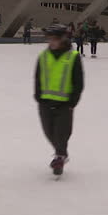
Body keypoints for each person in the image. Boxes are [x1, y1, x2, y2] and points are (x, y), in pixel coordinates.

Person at [35, 24, 84, 177]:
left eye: (55, 39)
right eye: (50, 39)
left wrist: (72, 103)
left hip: (65, 103)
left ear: (62, 39)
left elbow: (78, 82)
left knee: (61, 133)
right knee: (49, 132)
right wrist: (38, 96)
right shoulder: (43, 56)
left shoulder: (73, 57)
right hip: (45, 102)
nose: (52, 42)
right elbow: (38, 78)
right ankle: (61, 153)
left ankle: (59, 158)